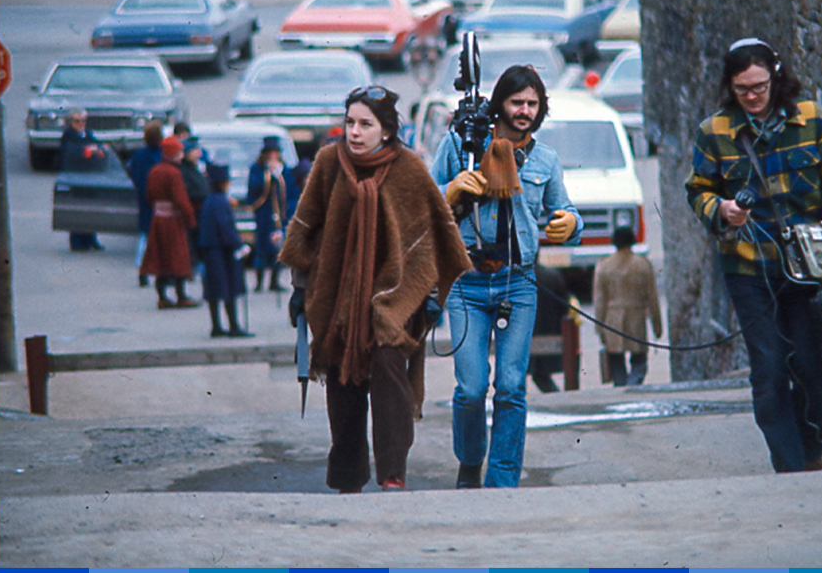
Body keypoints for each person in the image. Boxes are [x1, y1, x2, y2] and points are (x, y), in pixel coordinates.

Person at [684, 37, 822, 473]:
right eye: (742, 89)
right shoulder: (715, 131)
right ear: (729, 86)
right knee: (767, 370)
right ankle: (789, 468)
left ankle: (811, 450)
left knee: (812, 365)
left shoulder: (813, 121)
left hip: (808, 266)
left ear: (776, 77)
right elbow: (698, 190)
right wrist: (720, 210)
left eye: (759, 87)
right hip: (748, 267)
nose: (751, 96)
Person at [280, 85, 471, 494]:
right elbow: (306, 228)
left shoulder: (409, 169)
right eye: (349, 122)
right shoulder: (330, 164)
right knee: (343, 383)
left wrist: (432, 296)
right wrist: (300, 288)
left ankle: (392, 474)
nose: (354, 132)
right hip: (339, 298)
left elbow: (435, 237)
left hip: (396, 297)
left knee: (387, 371)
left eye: (365, 124)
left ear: (386, 130)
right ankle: (348, 478)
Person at [430, 65, 583, 489]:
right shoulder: (460, 147)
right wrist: (451, 191)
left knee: (513, 386)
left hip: (518, 282)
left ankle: (502, 482)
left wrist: (570, 222)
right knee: (472, 388)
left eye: (533, 104)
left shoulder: (545, 159)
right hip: (467, 282)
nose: (525, 111)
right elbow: (422, 203)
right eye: (517, 102)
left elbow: (566, 209)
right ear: (500, 103)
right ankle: (470, 462)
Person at [593, 226, 663, 387]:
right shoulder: (643, 265)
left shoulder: (604, 266)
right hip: (636, 317)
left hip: (612, 319)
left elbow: (600, 300)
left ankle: (621, 388)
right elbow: (652, 299)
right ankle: (633, 386)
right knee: (639, 359)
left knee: (616, 358)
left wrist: (599, 327)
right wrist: (657, 327)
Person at [139, 135, 201, 310]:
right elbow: (181, 200)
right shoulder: (173, 174)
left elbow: (149, 196)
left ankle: (162, 296)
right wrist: (190, 220)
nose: (182, 156)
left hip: (158, 220)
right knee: (178, 258)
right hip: (173, 221)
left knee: (161, 259)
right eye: (179, 152)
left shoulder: (155, 170)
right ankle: (181, 296)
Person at [199, 164, 252, 338]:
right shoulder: (221, 201)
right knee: (229, 286)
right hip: (222, 250)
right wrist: (238, 243)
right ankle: (234, 326)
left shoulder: (209, 200)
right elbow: (225, 227)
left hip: (210, 249)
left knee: (214, 288)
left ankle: (216, 326)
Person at [247, 136, 298, 293]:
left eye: (275, 153)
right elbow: (254, 189)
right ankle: (259, 281)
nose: (273, 156)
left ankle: (274, 281)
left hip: (280, 215)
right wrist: (267, 177)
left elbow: (291, 191)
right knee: (262, 247)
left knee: (278, 247)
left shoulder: (285, 170)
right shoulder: (257, 169)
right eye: (270, 153)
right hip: (264, 215)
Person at [59, 108, 105, 252]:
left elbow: (98, 145)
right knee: (77, 207)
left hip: (90, 175)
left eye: (83, 121)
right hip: (76, 176)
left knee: (91, 207)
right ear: (70, 123)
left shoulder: (88, 134)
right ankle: (77, 240)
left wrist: (99, 150)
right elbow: (69, 153)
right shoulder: (68, 136)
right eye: (77, 121)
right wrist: (85, 152)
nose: (80, 124)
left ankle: (91, 238)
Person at [527, 262, 573, 394]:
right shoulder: (552, 276)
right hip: (549, 334)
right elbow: (564, 306)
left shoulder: (514, 278)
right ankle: (560, 400)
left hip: (523, 336)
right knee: (542, 377)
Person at [128, 120, 164, 286]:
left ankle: (141, 268)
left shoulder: (139, 155)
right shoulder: (159, 155)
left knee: (145, 235)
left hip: (144, 199)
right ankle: (160, 271)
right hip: (158, 200)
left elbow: (132, 172)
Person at [180, 136, 211, 279]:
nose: (198, 154)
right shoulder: (184, 171)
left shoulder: (197, 168)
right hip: (193, 211)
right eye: (195, 151)